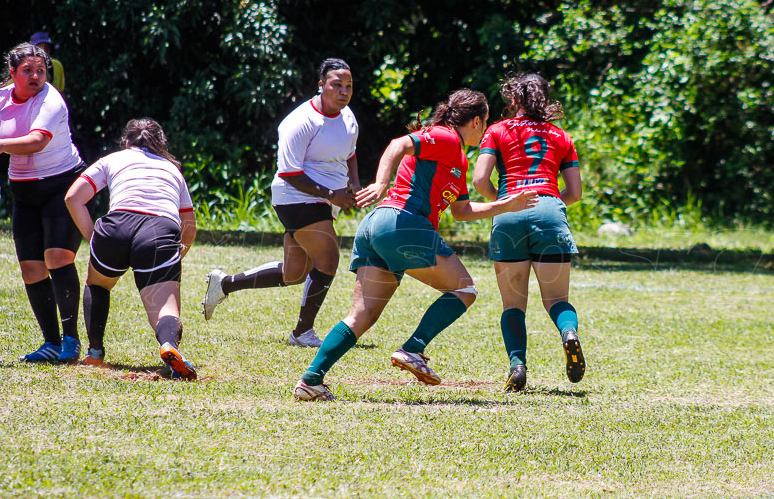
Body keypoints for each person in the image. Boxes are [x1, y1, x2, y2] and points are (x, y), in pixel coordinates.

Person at [292, 89, 538, 401]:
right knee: (464, 289)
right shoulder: (447, 138)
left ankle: (311, 380)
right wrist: (382, 183)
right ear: (476, 121)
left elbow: (462, 211)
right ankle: (414, 348)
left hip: (377, 228)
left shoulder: (458, 160)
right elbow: (399, 144)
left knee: (362, 316)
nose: (486, 128)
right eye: (486, 121)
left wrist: (507, 205)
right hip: (402, 222)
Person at [201, 58, 360, 347]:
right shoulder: (300, 122)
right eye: (337, 84)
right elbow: (290, 174)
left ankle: (224, 284)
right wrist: (331, 194)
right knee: (328, 258)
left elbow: (350, 154)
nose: (344, 91)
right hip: (295, 196)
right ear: (321, 85)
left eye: (348, 85)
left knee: (294, 273)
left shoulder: (348, 116)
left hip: (324, 200)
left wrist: (355, 185)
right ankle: (302, 333)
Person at [472, 73, 585, 392]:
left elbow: (480, 181)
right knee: (557, 300)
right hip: (550, 213)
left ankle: (517, 366)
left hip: (509, 216)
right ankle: (569, 333)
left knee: (513, 305)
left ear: (513, 100)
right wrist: (548, 204)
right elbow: (574, 192)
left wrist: (505, 204)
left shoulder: (496, 131)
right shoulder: (560, 136)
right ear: (544, 100)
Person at [64, 119, 199, 378]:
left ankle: (94, 354)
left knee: (98, 284)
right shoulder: (172, 169)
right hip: (160, 231)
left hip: (115, 227)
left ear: (126, 141)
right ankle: (168, 345)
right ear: (161, 143)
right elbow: (189, 227)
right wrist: (175, 255)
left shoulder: (112, 159)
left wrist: (94, 238)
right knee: (165, 308)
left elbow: (73, 197)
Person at [0, 43, 92, 363]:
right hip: (23, 193)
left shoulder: (50, 99)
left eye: (41, 70)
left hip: (62, 187)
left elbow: (37, 142)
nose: (36, 76)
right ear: (13, 73)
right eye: (28, 70)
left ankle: (71, 341)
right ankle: (51, 343)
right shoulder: (1, 99)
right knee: (31, 269)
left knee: (57, 257)